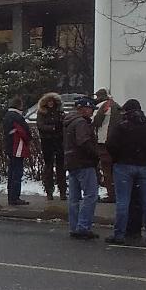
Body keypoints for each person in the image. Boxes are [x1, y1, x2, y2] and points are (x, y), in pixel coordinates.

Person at [105, 98, 146, 245]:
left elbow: (110, 145)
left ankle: (119, 234)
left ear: (127, 111)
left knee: (123, 202)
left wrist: (119, 156)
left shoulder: (122, 127)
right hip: (144, 165)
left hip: (124, 166)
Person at [64, 97, 101, 240]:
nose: (92, 113)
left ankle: (74, 226)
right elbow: (83, 142)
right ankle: (83, 227)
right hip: (84, 162)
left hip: (72, 162)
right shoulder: (81, 123)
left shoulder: (69, 121)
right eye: (91, 109)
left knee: (74, 198)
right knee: (90, 195)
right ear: (84, 108)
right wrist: (95, 154)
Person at [91, 89, 122, 203]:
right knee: (115, 170)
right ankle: (117, 193)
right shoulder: (117, 105)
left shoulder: (102, 106)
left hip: (104, 142)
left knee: (107, 169)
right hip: (116, 142)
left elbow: (95, 122)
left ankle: (111, 195)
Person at [2, 96, 32, 206]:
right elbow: (24, 131)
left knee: (12, 172)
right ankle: (15, 197)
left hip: (10, 147)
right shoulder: (17, 117)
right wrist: (28, 139)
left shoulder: (7, 116)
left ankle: (11, 197)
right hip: (17, 146)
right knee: (17, 173)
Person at [36, 93, 66, 201]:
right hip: (47, 141)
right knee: (48, 166)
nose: (50, 103)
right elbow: (40, 126)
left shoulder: (59, 112)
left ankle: (62, 191)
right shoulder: (42, 113)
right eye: (48, 102)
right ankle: (49, 191)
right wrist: (53, 128)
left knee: (61, 167)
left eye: (52, 102)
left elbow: (65, 123)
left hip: (58, 140)